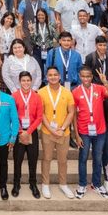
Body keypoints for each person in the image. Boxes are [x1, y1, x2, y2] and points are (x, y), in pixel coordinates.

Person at [71, 67, 108, 199]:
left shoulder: (99, 88)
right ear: (79, 76)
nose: (86, 79)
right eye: (83, 76)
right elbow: (74, 115)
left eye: (88, 76)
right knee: (83, 158)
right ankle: (82, 184)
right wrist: (76, 135)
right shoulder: (75, 92)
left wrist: (105, 82)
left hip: (100, 130)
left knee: (98, 158)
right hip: (84, 131)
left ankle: (97, 184)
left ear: (92, 76)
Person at [37, 65, 75, 199]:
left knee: (62, 160)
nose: (53, 77)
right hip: (47, 132)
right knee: (47, 158)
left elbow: (71, 112)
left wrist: (62, 128)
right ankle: (45, 184)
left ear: (59, 76)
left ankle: (63, 184)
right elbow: (41, 113)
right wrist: (51, 129)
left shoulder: (67, 92)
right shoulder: (41, 92)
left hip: (63, 132)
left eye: (55, 75)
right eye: (50, 75)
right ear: (46, 77)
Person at [11, 71, 43, 199]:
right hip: (18, 131)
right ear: (19, 82)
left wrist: (28, 132)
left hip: (32, 131)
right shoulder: (14, 96)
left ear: (31, 81)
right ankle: (16, 184)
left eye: (28, 80)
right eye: (23, 80)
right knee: (17, 160)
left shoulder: (37, 96)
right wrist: (20, 131)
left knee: (32, 160)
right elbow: (12, 116)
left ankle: (33, 184)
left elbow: (39, 117)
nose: (26, 83)